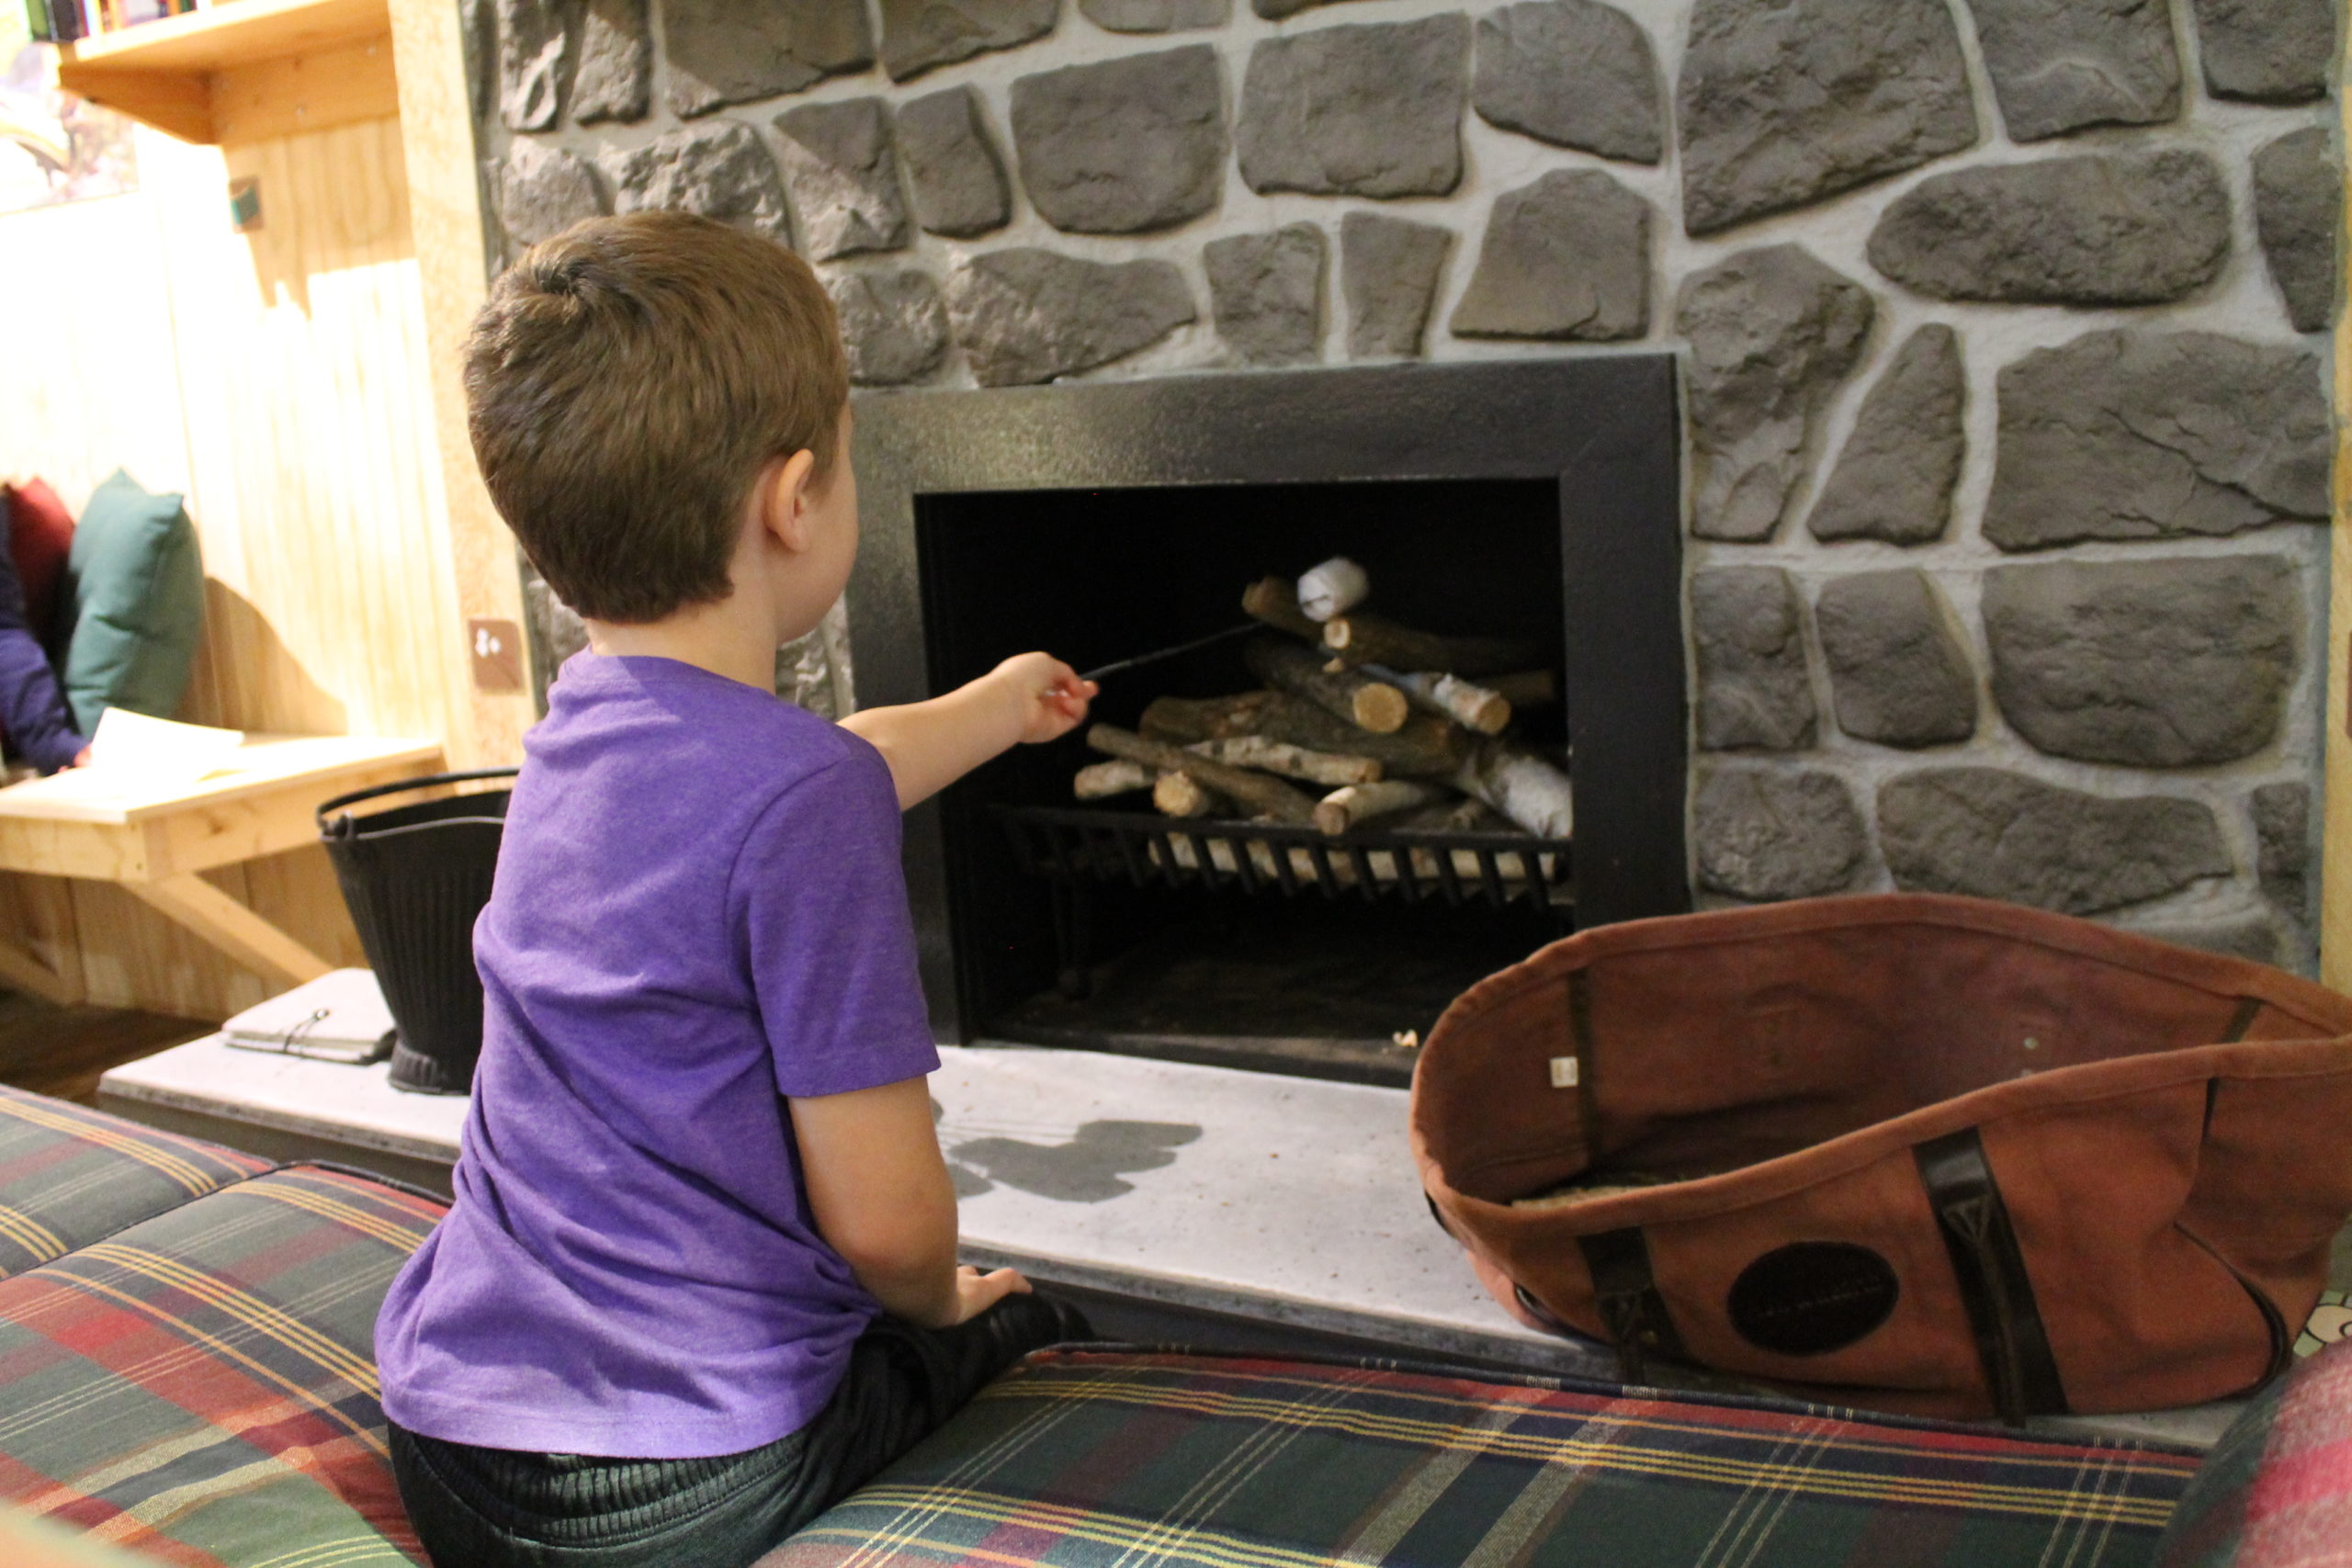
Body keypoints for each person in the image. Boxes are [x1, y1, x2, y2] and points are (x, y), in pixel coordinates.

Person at [374, 210, 1098, 1568]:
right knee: (1033, 1326)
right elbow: (887, 1227)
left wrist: (996, 709)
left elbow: (824, 770)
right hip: (679, 1487)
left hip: (454, 1448)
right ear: (797, 497)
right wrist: (947, 1302)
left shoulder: (575, 733)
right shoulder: (799, 804)